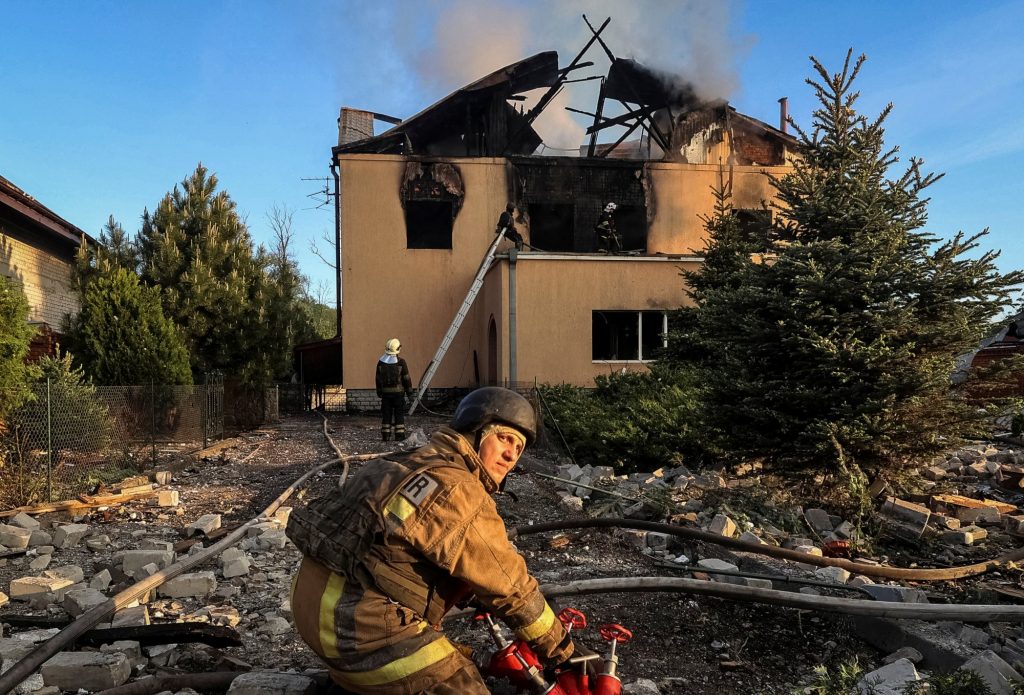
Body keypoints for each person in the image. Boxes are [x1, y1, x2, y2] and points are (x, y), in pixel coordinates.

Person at [286, 387, 577, 693]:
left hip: (313, 616)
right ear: (476, 431)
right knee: (466, 684)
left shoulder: (399, 461)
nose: (511, 455)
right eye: (505, 438)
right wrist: (564, 653)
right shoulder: (459, 489)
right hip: (356, 639)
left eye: (519, 448)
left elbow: (391, 551)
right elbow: (513, 589)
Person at [375, 338, 413, 442]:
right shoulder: (401, 362)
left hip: (385, 395)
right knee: (399, 414)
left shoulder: (381, 363)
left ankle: (386, 436)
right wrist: (410, 393)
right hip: (398, 394)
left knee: (386, 415)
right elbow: (406, 378)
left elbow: (378, 379)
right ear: (398, 349)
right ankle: (399, 436)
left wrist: (379, 392)